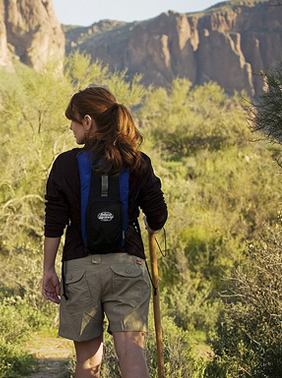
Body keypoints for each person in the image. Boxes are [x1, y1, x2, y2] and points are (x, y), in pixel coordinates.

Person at [42, 87, 167, 377]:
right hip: (128, 267)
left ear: (87, 121)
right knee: (132, 354)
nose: (71, 128)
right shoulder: (137, 161)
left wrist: (48, 269)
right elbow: (157, 214)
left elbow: (54, 222)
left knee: (87, 361)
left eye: (73, 121)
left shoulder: (65, 164)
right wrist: (152, 224)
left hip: (80, 269)